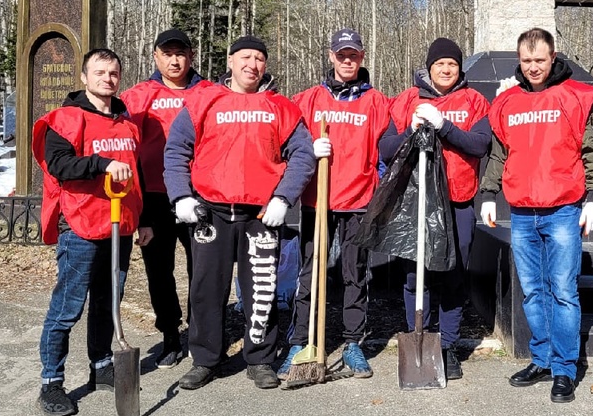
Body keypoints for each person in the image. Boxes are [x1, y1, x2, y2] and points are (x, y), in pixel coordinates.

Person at [163, 35, 315, 391]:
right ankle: (205, 359)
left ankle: (260, 358)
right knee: (205, 290)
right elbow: (176, 151)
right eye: (245, 57)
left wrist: (283, 197)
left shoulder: (281, 106)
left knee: (261, 289)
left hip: (259, 216)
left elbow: (303, 155)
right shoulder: (203, 99)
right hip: (210, 212)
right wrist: (181, 196)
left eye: (260, 58)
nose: (253, 64)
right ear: (230, 62)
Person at [480, 28, 593, 404]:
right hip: (521, 212)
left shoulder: (579, 97)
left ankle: (565, 369)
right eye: (526, 61)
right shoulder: (507, 103)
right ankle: (541, 358)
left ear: (553, 57)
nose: (533, 67)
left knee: (563, 291)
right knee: (533, 291)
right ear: (518, 61)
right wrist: (489, 193)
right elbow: (499, 153)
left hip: (563, 210)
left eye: (540, 60)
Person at [31, 48, 152, 416]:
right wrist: (102, 164)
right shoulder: (64, 120)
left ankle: (101, 366)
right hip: (80, 225)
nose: (107, 79)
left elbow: (135, 172)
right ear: (84, 77)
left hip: (119, 226)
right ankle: (51, 382)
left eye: (113, 73)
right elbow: (59, 165)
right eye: (99, 72)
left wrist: (143, 218)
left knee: (106, 303)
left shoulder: (127, 124)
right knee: (68, 309)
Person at [282, 28, 397, 379]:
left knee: (355, 273)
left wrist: (377, 186)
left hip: (359, 200)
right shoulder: (307, 100)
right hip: (318, 200)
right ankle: (300, 343)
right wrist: (307, 150)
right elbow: (288, 143)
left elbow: (386, 149)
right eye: (341, 55)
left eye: (354, 55)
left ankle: (352, 343)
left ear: (362, 58)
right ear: (331, 56)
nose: (348, 61)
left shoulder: (377, 102)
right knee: (310, 273)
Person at [384, 37, 492, 380]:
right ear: (428, 67)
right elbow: (384, 148)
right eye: (439, 64)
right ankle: (421, 337)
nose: (446, 69)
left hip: (458, 200)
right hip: (417, 202)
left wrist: (444, 126)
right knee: (417, 276)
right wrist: (411, 131)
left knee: (453, 274)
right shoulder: (406, 101)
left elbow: (479, 144)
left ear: (460, 69)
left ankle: (448, 346)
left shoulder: (474, 101)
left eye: (452, 64)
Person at [119, 29, 207, 369]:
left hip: (198, 196)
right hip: (154, 198)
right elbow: (126, 149)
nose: (175, 60)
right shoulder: (138, 96)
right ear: (156, 56)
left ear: (191, 56)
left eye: (181, 53)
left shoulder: (209, 93)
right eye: (167, 53)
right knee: (159, 272)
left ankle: (201, 333)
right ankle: (170, 333)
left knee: (202, 270)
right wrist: (137, 210)